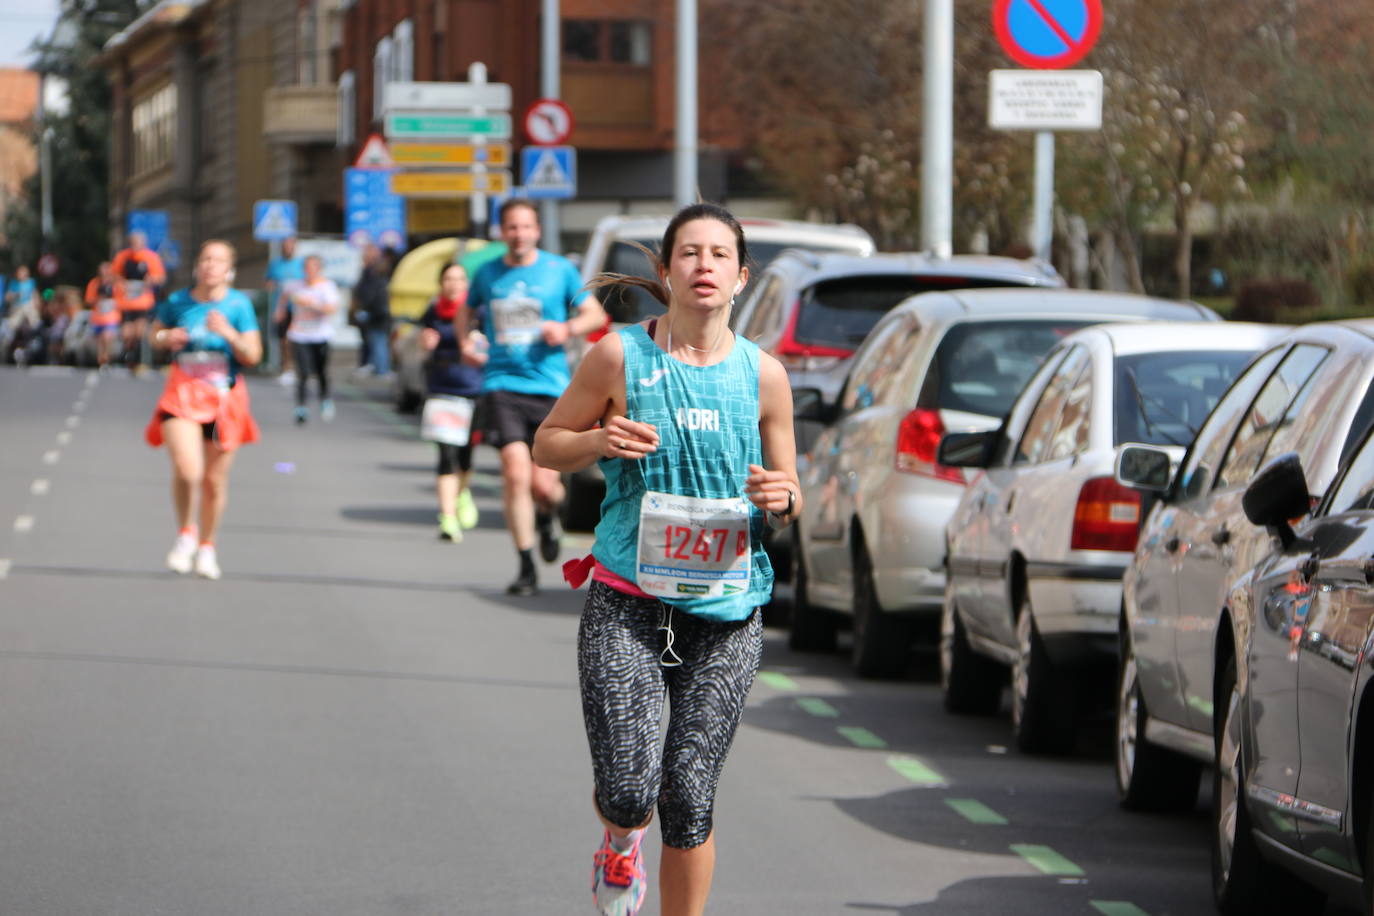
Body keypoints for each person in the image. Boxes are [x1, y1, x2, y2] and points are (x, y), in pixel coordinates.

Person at [531, 203, 800, 916]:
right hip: (627, 602)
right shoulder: (620, 356)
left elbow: (790, 488)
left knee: (689, 790)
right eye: (689, 253)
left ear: (741, 278)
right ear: (667, 270)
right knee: (628, 787)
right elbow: (547, 443)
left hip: (727, 613)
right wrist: (599, 441)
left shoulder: (764, 375)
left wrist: (784, 495)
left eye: (719, 255)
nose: (703, 266)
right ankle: (619, 844)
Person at [463, 198, 607, 595]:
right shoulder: (488, 273)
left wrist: (566, 329)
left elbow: (595, 315)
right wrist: (465, 341)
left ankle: (548, 516)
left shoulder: (559, 271)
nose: (519, 234)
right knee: (514, 472)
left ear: (537, 231)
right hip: (501, 383)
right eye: (511, 227)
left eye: (525, 227)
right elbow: (466, 310)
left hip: (549, 388)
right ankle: (525, 564)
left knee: (544, 487)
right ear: (501, 232)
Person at [146, 239, 262, 580]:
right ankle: (186, 534)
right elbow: (155, 335)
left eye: (218, 260)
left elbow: (253, 355)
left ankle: (208, 546)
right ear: (197, 265)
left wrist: (228, 332)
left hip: (224, 398)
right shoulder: (177, 301)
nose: (211, 265)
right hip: (181, 393)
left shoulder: (239, 305)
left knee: (213, 480)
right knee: (188, 471)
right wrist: (166, 338)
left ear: (230, 269)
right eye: (206, 258)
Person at [419, 263, 484, 541]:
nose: (454, 283)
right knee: (446, 454)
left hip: (473, 390)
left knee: (465, 456)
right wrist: (424, 343)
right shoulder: (432, 312)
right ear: (440, 282)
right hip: (441, 391)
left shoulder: (477, 312)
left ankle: (463, 492)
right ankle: (447, 517)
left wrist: (480, 345)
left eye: (459, 278)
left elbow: (490, 344)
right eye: (448, 278)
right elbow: (419, 342)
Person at [286, 254, 341, 424]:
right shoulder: (296, 286)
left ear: (319, 269)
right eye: (306, 267)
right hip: (300, 334)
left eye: (313, 267)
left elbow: (332, 308)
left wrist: (312, 304)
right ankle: (301, 407)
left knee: (321, 371)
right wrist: (281, 313)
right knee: (302, 373)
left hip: (320, 335)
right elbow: (286, 297)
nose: (309, 271)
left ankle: (325, 399)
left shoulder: (327, 287)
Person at [112, 231, 167, 374]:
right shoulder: (122, 257)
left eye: (138, 243)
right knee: (127, 332)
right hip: (126, 302)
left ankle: (139, 359)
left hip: (143, 302)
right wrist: (122, 284)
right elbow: (115, 276)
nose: (135, 246)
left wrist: (150, 281)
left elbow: (159, 278)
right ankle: (128, 354)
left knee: (140, 331)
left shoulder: (151, 258)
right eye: (132, 243)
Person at [266, 236, 304, 384]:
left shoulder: (301, 264)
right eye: (286, 245)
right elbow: (269, 282)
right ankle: (286, 368)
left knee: (296, 339)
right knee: (283, 340)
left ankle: (298, 367)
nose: (288, 248)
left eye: (291, 245)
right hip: (281, 307)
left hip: (298, 309)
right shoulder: (276, 264)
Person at [351, 244, 392, 378]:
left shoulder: (376, 273)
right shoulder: (368, 272)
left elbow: (371, 293)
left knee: (379, 341)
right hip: (374, 312)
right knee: (372, 340)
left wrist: (365, 307)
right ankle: (374, 365)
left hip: (377, 313)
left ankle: (381, 369)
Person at [85, 261, 122, 369]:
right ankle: (101, 360)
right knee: (100, 340)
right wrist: (98, 300)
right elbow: (89, 300)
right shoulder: (94, 284)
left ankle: (106, 359)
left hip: (111, 317)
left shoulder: (116, 285)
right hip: (98, 318)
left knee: (107, 337)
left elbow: (122, 299)